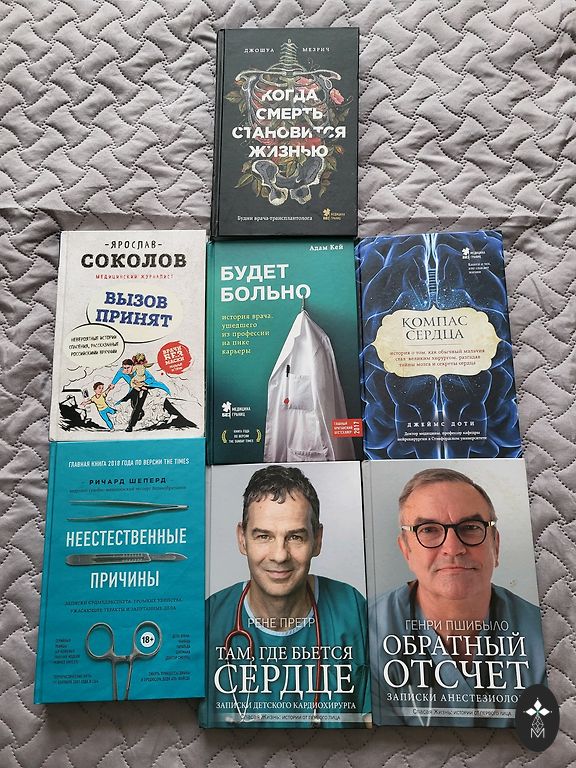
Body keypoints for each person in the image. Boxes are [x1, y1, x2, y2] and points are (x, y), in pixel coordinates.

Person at [369, 468, 546, 727]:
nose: (453, 549)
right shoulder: (365, 635)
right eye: (429, 530)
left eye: (471, 527)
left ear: (495, 545)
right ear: (406, 550)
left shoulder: (547, 634)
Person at [200, 465, 370, 728]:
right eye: (263, 536)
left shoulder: (351, 609)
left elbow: (376, 725)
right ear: (242, 539)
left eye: (295, 537)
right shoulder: (210, 617)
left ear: (317, 540)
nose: (280, 555)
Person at [108, 357, 171, 432]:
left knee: (138, 406)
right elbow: (117, 376)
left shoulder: (140, 369)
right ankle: (140, 413)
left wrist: (142, 383)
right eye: (124, 368)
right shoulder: (122, 371)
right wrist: (113, 384)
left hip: (145, 387)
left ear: (133, 366)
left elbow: (150, 378)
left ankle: (130, 426)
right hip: (134, 388)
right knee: (133, 404)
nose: (126, 369)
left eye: (128, 367)